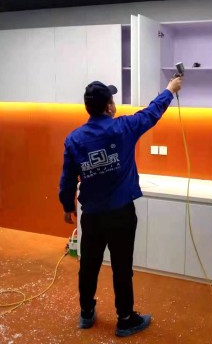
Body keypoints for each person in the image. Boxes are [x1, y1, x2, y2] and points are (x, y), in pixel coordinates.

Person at [59, 76, 182, 337]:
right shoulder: (123, 128)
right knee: (122, 267)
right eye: (112, 100)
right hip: (120, 214)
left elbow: (68, 177)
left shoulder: (74, 139)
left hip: (91, 216)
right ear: (109, 107)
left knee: (88, 265)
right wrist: (170, 90)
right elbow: (152, 113)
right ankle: (125, 319)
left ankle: (86, 313)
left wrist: (67, 205)